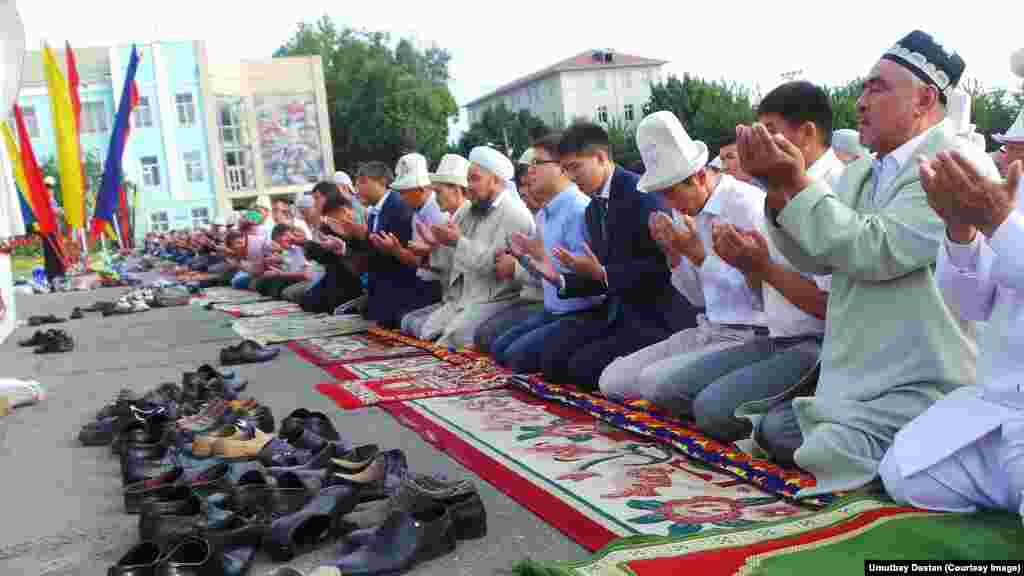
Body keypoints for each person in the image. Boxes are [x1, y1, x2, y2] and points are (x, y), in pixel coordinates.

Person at [737, 30, 1000, 496]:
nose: (860, 103)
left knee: (810, 444)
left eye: (876, 88)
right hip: (856, 377)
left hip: (922, 379)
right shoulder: (862, 169)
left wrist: (796, 183)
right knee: (768, 426)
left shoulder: (954, 165)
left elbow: (875, 250)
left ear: (923, 99)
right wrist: (778, 191)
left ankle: (935, 461)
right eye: (863, 89)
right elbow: (817, 257)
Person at [662, 81, 841, 444]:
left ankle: (785, 421)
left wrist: (757, 267)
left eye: (770, 132)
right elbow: (762, 298)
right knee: (669, 389)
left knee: (714, 410)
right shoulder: (775, 193)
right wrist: (747, 265)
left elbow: (831, 307)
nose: (756, 145)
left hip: (820, 344)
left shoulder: (837, 188)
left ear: (807, 134)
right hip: (778, 336)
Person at [879, 150, 1023, 522]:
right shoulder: (1017, 197)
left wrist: (998, 221)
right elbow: (972, 304)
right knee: (906, 476)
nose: (1012, 158)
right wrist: (961, 230)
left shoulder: (1005, 211)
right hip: (1001, 407)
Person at [598, 111, 768, 401]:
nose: (668, 203)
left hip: (752, 334)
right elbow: (698, 299)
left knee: (654, 382)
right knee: (612, 379)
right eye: (662, 194)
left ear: (699, 177)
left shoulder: (747, 205)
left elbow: (761, 296)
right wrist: (674, 254)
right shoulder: (685, 209)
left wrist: (699, 256)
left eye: (671, 192)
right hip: (709, 329)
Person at [527, 122, 700, 390]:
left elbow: (663, 268)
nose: (571, 176)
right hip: (619, 314)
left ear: (600, 157)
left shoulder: (641, 195)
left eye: (575, 167)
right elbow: (601, 275)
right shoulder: (593, 208)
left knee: (581, 368)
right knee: (551, 360)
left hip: (657, 317)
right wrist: (560, 279)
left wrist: (605, 273)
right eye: (566, 169)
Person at [491, 134, 602, 372]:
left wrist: (544, 263)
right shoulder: (544, 214)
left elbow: (590, 283)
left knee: (515, 356)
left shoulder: (578, 209)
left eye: (537, 163)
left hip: (581, 313)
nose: (529, 171)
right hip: (553, 310)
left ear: (562, 168)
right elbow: (545, 274)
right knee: (498, 347)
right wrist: (525, 258)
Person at [415, 146, 535, 348]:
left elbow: (494, 266)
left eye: (475, 179)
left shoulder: (515, 214)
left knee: (453, 337)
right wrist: (435, 246)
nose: (468, 186)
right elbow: (454, 260)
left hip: (496, 298)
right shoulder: (469, 210)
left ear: (495, 180)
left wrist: (457, 242)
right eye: (468, 179)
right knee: (423, 329)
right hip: (464, 297)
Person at [321, 161, 435, 328]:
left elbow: (391, 259)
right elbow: (371, 252)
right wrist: (347, 241)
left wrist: (359, 238)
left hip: (400, 285)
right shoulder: (376, 210)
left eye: (362, 182)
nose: (357, 189)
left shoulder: (397, 206)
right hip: (380, 286)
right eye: (356, 183)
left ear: (382, 181)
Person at [472, 147, 546, 353]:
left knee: (489, 339)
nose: (526, 192)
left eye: (532, 184)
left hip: (541, 301)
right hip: (521, 297)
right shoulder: (541, 214)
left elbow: (556, 276)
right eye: (524, 185)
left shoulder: (521, 214)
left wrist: (515, 268)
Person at [401, 154, 472, 339]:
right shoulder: (451, 217)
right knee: (408, 322)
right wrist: (431, 250)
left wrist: (431, 250)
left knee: (423, 329)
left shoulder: (470, 217)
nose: (435, 197)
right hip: (450, 298)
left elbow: (469, 267)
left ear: (457, 189)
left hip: (468, 300)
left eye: (439, 192)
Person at [369, 152, 443, 308]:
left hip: (441, 287)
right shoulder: (417, 213)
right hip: (423, 282)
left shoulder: (439, 211)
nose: (401, 197)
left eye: (404, 192)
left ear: (420, 188)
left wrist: (428, 251)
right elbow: (415, 260)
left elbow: (443, 263)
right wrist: (395, 249)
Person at [301, 185, 364, 313]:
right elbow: (325, 257)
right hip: (334, 276)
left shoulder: (359, 221)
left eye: (317, 198)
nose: (315, 203)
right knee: (308, 300)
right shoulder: (324, 224)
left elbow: (360, 262)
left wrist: (342, 246)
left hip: (354, 281)